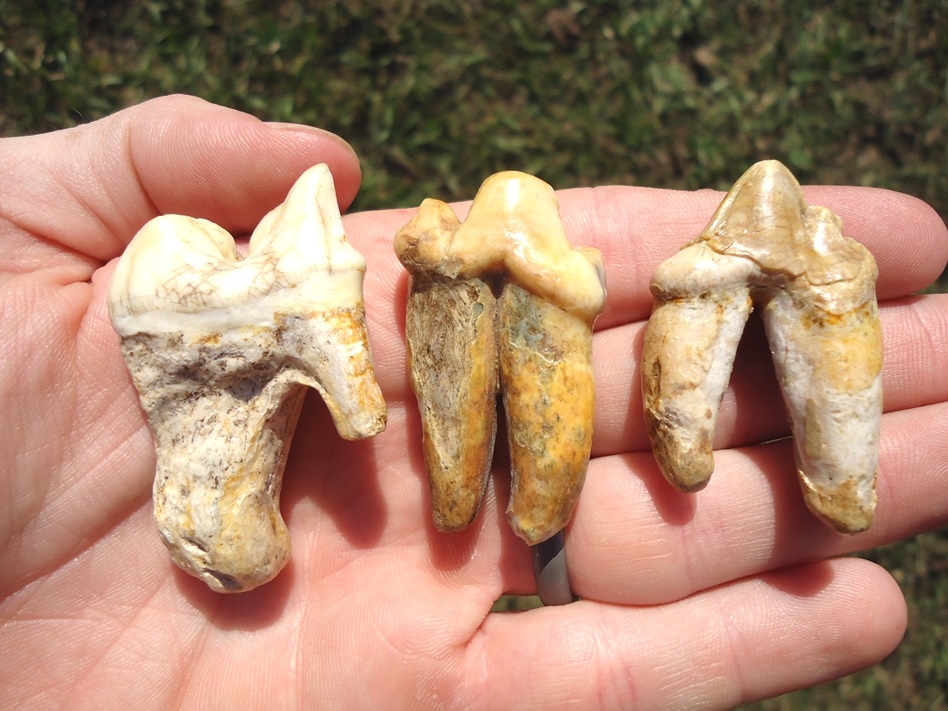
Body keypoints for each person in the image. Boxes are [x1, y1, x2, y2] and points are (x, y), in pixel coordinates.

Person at [1, 94, 946, 710]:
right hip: (482, 273)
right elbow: (364, 404)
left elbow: (365, 404)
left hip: (506, 276)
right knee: (485, 467)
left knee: (527, 465)